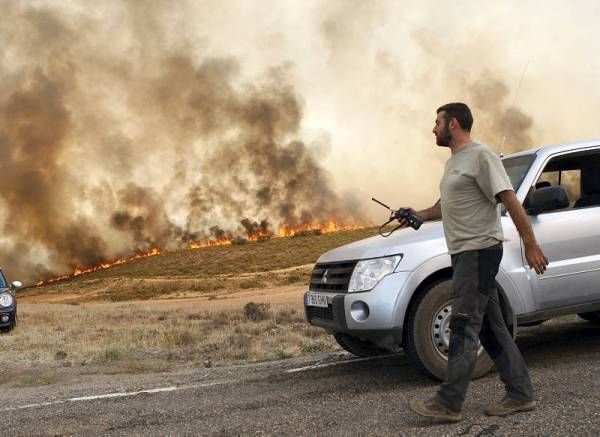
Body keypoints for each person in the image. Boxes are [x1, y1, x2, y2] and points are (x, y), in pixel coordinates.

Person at [401, 102, 549, 422]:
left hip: (479, 252)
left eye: (437, 121)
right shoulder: (455, 162)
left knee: (464, 323)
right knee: (492, 329)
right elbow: (444, 206)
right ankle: (521, 394)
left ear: (453, 124)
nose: (433, 128)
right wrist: (417, 215)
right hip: (465, 254)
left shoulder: (482, 156)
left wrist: (531, 244)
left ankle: (448, 402)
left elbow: (508, 198)